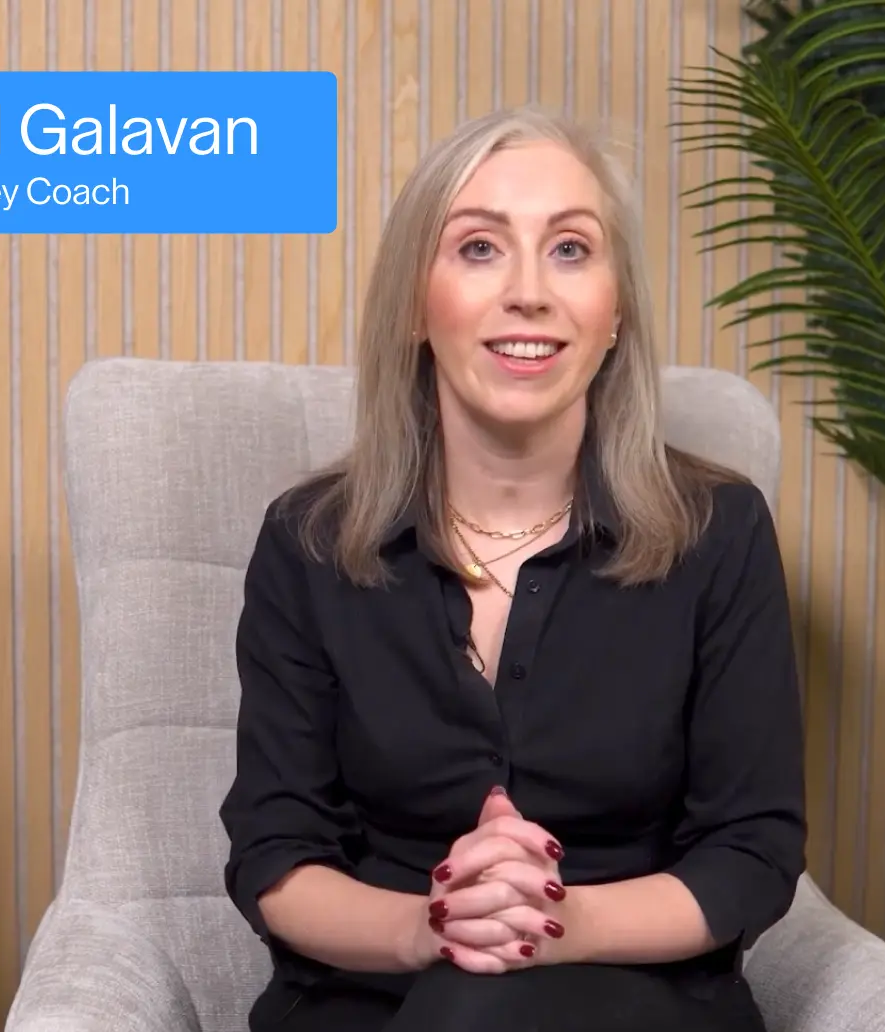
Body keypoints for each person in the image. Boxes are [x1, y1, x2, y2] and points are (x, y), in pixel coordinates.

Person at [219, 104, 807, 1032]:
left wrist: (563, 925)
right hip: (369, 997)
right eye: (480, 248)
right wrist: (434, 925)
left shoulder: (717, 531)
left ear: (615, 314)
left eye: (570, 250)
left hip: (637, 996)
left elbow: (752, 850)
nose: (529, 291)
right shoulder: (308, 542)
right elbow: (276, 855)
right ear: (417, 303)